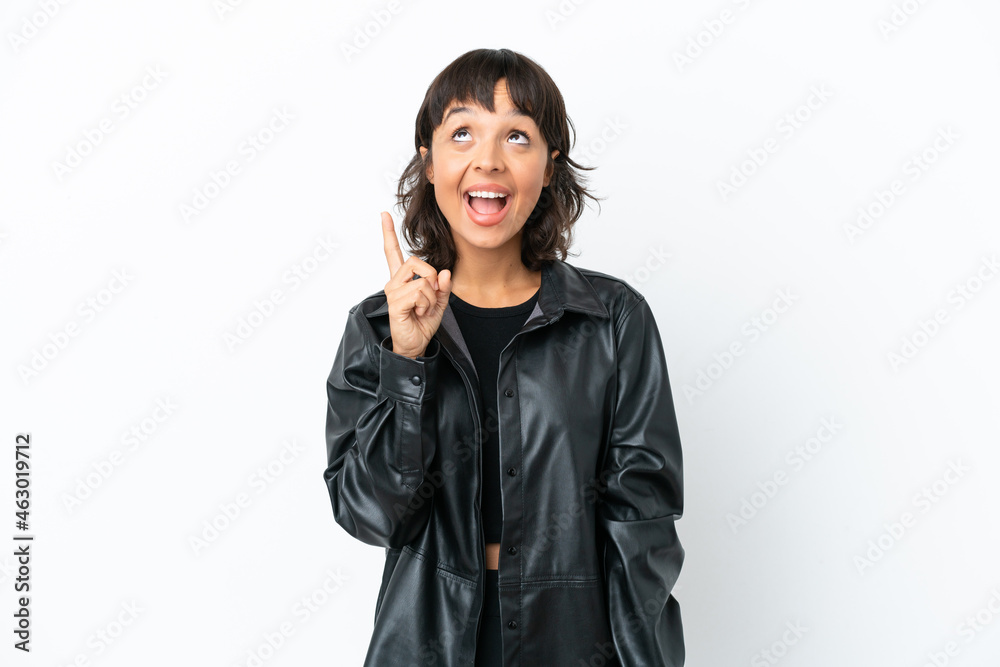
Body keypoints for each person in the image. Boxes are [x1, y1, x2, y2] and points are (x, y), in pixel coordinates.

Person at [324, 48, 685, 666]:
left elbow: (642, 525)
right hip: (426, 641)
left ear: (549, 167)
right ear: (429, 161)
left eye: (517, 136)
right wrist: (407, 363)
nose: (487, 159)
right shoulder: (379, 325)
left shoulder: (613, 320)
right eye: (462, 132)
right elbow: (370, 514)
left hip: (575, 640)